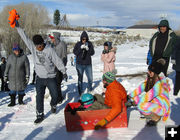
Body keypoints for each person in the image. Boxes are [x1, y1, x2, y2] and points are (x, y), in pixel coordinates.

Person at [14, 20, 66, 124]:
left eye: (40, 46)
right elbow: (24, 37)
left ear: (43, 43)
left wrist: (63, 71)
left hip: (51, 77)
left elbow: (57, 60)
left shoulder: (49, 50)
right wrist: (17, 25)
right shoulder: (33, 49)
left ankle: (53, 104)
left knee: (55, 95)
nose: (39, 48)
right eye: (37, 46)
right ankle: (39, 114)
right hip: (40, 78)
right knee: (39, 97)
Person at [126, 59, 171, 126]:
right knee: (136, 98)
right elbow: (139, 89)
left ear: (156, 72)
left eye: (150, 71)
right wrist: (128, 97)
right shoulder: (151, 79)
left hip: (161, 108)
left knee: (141, 105)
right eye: (148, 71)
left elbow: (146, 97)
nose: (148, 72)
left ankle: (156, 117)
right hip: (155, 102)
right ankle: (150, 112)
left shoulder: (160, 85)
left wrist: (132, 102)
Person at [73, 31, 95, 95]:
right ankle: (80, 92)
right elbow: (75, 52)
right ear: (81, 38)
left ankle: (89, 89)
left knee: (90, 78)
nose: (84, 40)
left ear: (87, 39)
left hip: (88, 64)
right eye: (83, 39)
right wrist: (80, 48)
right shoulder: (78, 44)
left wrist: (88, 49)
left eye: (85, 39)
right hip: (79, 64)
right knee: (80, 79)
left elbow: (92, 53)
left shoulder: (90, 44)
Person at [49, 32, 68, 103]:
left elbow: (65, 56)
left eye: (52, 38)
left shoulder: (62, 44)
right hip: (52, 67)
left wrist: (63, 66)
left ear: (56, 38)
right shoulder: (51, 46)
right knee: (53, 84)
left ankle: (59, 98)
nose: (51, 39)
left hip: (59, 67)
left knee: (57, 83)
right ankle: (55, 97)